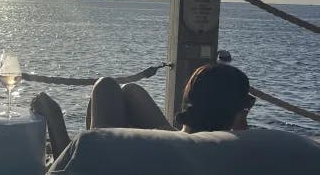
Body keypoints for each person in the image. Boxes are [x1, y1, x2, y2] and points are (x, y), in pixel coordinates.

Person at [32, 63, 255, 159]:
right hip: (187, 142)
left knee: (105, 86)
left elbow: (81, 170)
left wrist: (53, 115)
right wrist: (240, 120)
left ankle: (82, 139)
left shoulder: (165, 150)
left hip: (159, 154)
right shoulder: (240, 149)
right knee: (129, 90)